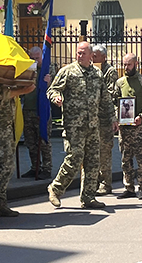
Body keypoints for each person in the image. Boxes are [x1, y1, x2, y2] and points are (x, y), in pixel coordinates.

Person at [47, 41, 114, 210]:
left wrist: (113, 118)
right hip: (74, 126)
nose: (79, 55)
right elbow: (53, 89)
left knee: (92, 162)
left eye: (83, 53)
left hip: (92, 126)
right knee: (74, 159)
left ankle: (88, 197)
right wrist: (56, 97)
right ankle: (55, 188)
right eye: (78, 53)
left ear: (91, 55)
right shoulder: (68, 71)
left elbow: (105, 99)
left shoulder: (97, 74)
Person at [0, 78, 36, 218]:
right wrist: (23, 90)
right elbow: (0, 94)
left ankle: (1, 203)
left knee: (7, 167)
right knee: (6, 166)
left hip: (7, 128)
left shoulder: (6, 83)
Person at [115, 53, 142, 199]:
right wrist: (117, 118)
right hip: (124, 127)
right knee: (125, 159)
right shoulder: (120, 83)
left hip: (139, 127)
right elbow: (114, 102)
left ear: (136, 64)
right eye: (124, 64)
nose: (126, 67)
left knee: (141, 158)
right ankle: (129, 187)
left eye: (129, 64)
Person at [20, 46, 54, 180]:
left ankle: (47, 168)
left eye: (37, 58)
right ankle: (35, 167)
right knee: (30, 142)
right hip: (28, 109)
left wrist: (49, 82)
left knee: (44, 141)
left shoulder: (48, 69)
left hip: (42, 110)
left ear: (42, 56)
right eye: (32, 58)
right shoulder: (28, 69)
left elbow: (54, 89)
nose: (34, 60)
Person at [92, 44, 119, 195]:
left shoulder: (109, 71)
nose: (93, 58)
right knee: (93, 152)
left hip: (105, 117)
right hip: (93, 118)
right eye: (92, 55)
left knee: (105, 152)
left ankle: (105, 183)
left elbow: (110, 93)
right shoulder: (91, 70)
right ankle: (93, 181)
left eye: (96, 56)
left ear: (104, 57)